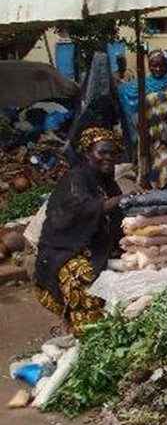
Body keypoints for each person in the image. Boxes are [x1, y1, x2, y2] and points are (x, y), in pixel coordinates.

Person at [34, 127, 126, 334]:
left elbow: (118, 221)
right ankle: (89, 339)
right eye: (102, 152)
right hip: (63, 251)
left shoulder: (109, 184)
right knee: (84, 279)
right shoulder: (74, 179)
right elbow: (83, 208)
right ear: (87, 153)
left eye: (113, 153)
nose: (109, 157)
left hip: (95, 249)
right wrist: (119, 201)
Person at [117, 49, 167, 189]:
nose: (157, 69)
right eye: (153, 65)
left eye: (161, 65)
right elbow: (123, 94)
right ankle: (149, 196)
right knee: (145, 169)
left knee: (165, 167)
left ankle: (161, 192)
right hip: (146, 136)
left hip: (166, 137)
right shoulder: (140, 86)